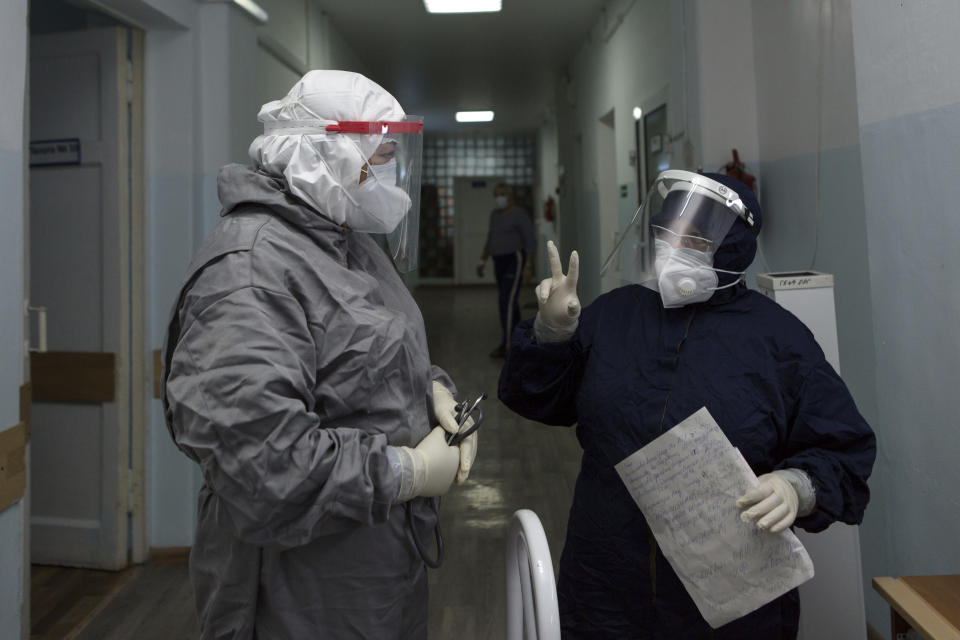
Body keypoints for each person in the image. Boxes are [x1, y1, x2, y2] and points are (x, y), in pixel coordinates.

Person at [161, 70, 478, 640]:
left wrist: (434, 389)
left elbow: (368, 350)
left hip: (376, 571)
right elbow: (265, 465)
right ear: (323, 154)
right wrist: (407, 471)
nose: (391, 179)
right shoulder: (252, 269)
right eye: (379, 158)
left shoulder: (343, 241)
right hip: (298, 593)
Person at [498, 170, 876, 639]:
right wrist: (552, 333)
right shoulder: (616, 316)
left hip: (732, 596)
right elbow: (536, 397)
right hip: (607, 579)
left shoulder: (778, 341)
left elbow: (843, 447)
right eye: (666, 235)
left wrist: (796, 486)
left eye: (694, 239)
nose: (674, 249)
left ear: (734, 247)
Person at [476, 183, 536, 358]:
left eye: (503, 194)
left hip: (514, 260)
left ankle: (508, 346)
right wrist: (482, 261)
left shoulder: (519, 214)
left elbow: (530, 241)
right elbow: (491, 237)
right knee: (511, 302)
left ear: (510, 196)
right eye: (497, 194)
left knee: (506, 302)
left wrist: (528, 266)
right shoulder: (494, 215)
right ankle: (521, 340)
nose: (499, 198)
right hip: (498, 261)